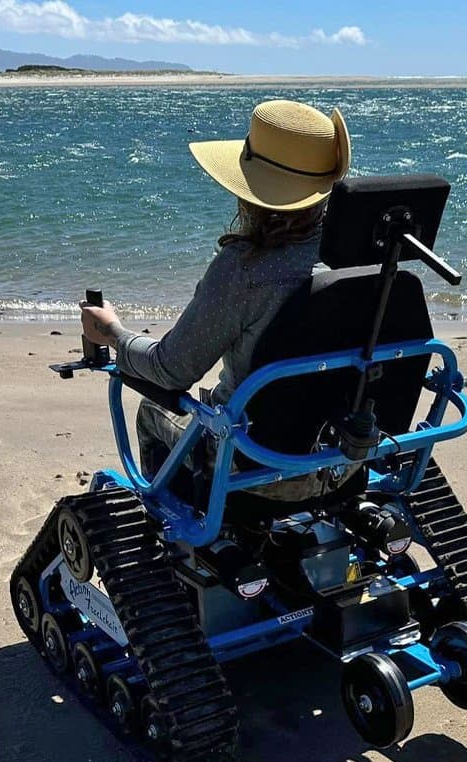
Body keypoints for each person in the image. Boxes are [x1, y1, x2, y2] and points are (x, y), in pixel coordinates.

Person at [80, 99, 351, 500]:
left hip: (251, 467)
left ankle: (179, 537)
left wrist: (113, 333)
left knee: (152, 411)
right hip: (344, 458)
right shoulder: (359, 258)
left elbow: (171, 369)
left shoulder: (245, 268)